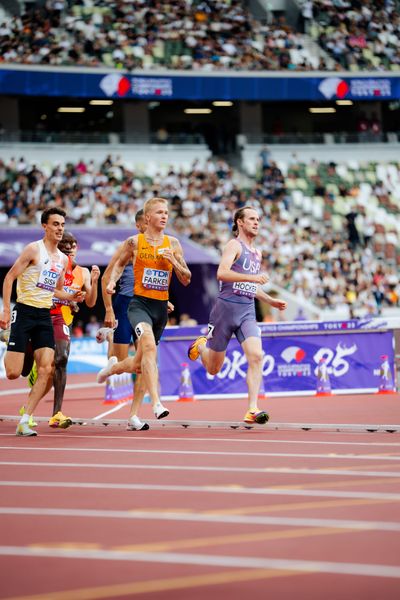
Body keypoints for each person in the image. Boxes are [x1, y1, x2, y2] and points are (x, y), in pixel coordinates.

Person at [187, 206, 287, 424]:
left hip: (247, 311)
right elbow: (222, 273)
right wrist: (253, 279)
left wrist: (269, 300)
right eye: (251, 219)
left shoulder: (257, 252)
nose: (256, 222)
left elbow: (251, 284)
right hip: (225, 310)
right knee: (213, 369)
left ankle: (252, 408)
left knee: (257, 356)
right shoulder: (234, 245)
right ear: (240, 222)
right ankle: (202, 347)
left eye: (258, 219)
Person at [96, 197, 191, 422]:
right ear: (147, 218)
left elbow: (186, 279)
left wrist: (174, 262)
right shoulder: (134, 242)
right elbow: (117, 265)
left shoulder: (174, 244)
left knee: (140, 363)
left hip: (159, 309)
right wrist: (111, 284)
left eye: (166, 212)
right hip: (138, 305)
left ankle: (115, 374)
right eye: (159, 212)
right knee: (149, 347)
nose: (165, 216)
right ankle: (157, 403)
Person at [0, 207, 84, 436]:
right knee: (14, 373)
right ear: (44, 226)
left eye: (62, 225)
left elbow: (55, 291)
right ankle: (7, 336)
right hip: (24, 311)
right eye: (55, 224)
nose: (59, 229)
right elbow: (9, 278)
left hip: (44, 314)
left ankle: (25, 420)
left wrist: (72, 297)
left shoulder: (63, 259)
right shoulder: (32, 250)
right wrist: (6, 310)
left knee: (47, 368)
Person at [97, 209, 151, 431]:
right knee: (121, 364)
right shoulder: (128, 246)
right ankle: (112, 345)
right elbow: (106, 278)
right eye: (147, 223)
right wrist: (109, 309)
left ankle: (134, 416)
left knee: (147, 363)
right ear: (139, 226)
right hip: (124, 306)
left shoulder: (162, 247)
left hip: (147, 307)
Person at [45, 231, 100, 428]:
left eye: (73, 244)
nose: (69, 247)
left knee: (61, 360)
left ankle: (56, 413)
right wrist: (68, 299)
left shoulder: (83, 272)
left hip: (63, 321)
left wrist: (94, 281)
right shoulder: (50, 265)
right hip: (42, 318)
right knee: (22, 370)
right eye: (65, 244)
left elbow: (91, 303)